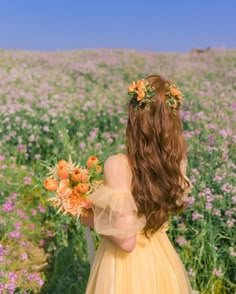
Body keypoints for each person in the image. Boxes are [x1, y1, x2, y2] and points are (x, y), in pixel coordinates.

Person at [80, 74, 193, 293]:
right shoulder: (175, 162)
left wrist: (89, 217)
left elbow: (126, 241)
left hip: (127, 271)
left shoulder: (119, 165)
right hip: (161, 262)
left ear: (136, 120)